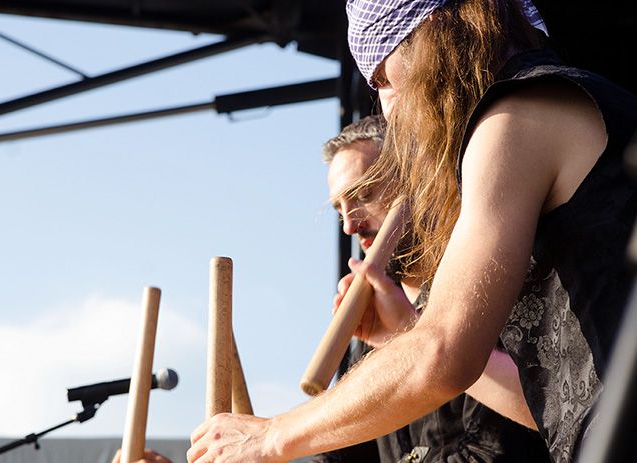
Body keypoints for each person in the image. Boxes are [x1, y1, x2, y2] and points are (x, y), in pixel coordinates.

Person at [186, 1, 637, 462]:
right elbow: (553, 405)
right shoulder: (571, 106)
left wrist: (271, 436)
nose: (388, 108)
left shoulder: (515, 118)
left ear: (433, 35)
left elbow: (442, 353)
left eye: (382, 78)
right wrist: (407, 328)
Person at [314, 115, 549, 463]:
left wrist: (413, 334)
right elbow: (339, 456)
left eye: (365, 193)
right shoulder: (371, 325)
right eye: (340, 209)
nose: (350, 224)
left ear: (419, 181)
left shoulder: (488, 287)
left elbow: (495, 452)